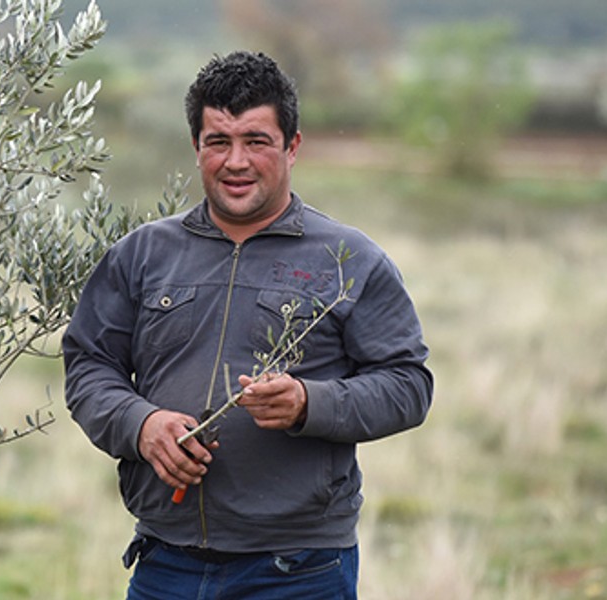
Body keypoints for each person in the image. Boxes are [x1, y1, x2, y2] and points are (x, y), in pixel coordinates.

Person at [61, 51, 433, 599]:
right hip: (165, 564)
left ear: (292, 146)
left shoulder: (350, 260)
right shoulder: (140, 255)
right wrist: (140, 424)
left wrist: (311, 403)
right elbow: (89, 364)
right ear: (196, 148)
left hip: (300, 571)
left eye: (256, 140)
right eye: (219, 141)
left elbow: (408, 386)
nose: (236, 161)